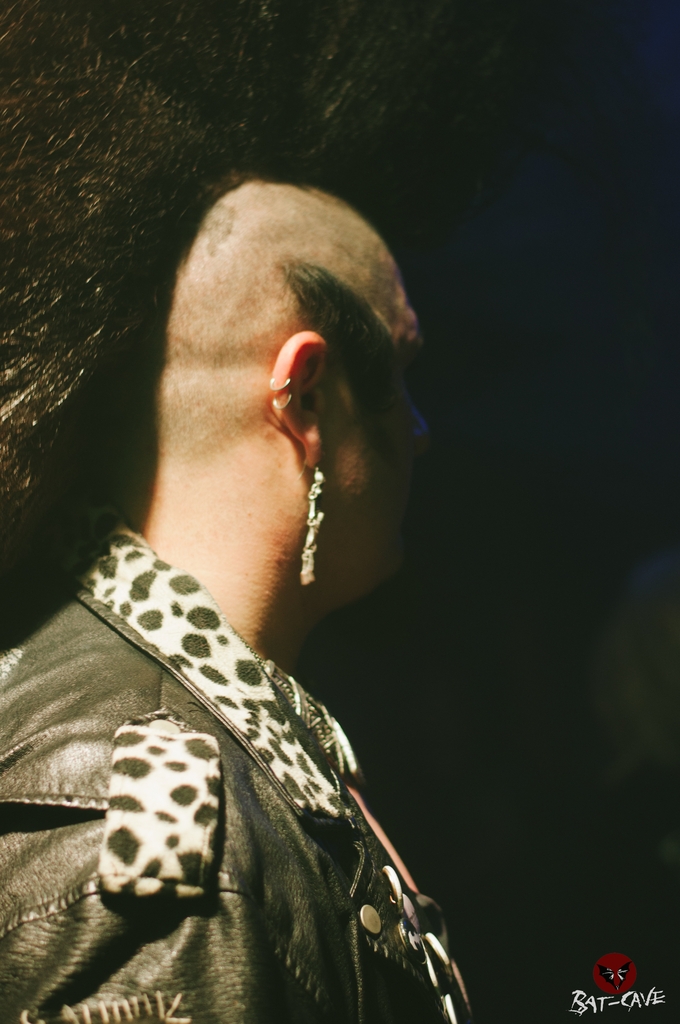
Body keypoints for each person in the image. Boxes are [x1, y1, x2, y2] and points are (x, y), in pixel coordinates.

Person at [0, 179, 471, 1024]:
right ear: (306, 396)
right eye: (401, 374)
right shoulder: (154, 833)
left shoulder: (155, 725)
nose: (420, 430)